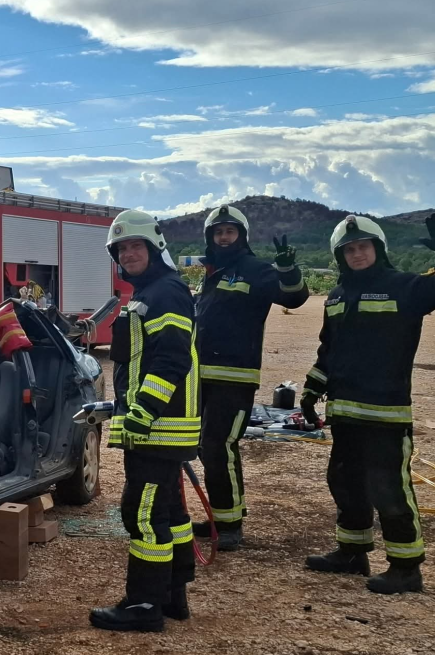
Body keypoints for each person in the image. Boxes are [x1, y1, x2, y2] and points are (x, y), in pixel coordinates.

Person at [300, 213, 435, 594]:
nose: (357, 254)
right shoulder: (338, 296)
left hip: (385, 413)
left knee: (388, 488)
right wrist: (312, 390)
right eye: (349, 249)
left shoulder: (404, 287)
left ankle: (406, 567)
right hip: (344, 411)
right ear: (340, 256)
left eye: (363, 246)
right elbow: (330, 349)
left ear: (378, 249)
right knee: (344, 482)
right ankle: (352, 552)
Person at [89, 209, 202, 633]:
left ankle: (143, 605)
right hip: (158, 426)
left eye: (136, 245)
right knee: (169, 511)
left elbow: (171, 359)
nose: (129, 253)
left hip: (158, 426)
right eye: (122, 248)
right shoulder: (149, 293)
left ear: (155, 248)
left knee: (142, 512)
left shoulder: (165, 293)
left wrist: (143, 412)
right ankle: (174, 595)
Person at [190, 206, 310, 551]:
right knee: (205, 448)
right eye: (218, 233)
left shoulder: (256, 270)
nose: (223, 237)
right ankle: (222, 515)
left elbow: (294, 297)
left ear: (241, 236)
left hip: (235, 378)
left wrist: (288, 269)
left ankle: (230, 526)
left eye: (230, 232)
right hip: (204, 377)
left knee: (219, 446)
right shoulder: (214, 272)